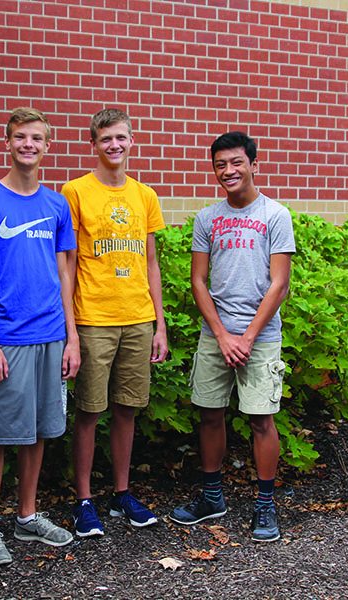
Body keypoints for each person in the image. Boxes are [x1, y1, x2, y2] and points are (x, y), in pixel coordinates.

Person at [0, 107, 81, 566]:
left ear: (47, 145)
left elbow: (65, 274)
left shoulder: (56, 205)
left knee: (38, 431)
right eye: (20, 137)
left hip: (51, 334)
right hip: (8, 337)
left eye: (36, 138)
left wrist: (72, 338)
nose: (28, 145)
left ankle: (27, 516)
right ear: (7, 142)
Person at [170, 131, 295, 543]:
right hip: (216, 335)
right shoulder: (207, 218)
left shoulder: (275, 215)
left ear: (254, 165)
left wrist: (247, 336)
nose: (228, 171)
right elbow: (198, 281)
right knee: (209, 412)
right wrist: (222, 335)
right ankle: (211, 497)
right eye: (221, 164)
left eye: (236, 163)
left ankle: (264, 505)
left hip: (259, 337)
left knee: (261, 419)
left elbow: (279, 285)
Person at [61, 108, 168, 537]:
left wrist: (160, 324)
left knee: (127, 410)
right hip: (93, 319)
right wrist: (70, 329)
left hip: (138, 318)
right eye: (106, 139)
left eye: (121, 138)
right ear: (94, 144)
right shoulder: (75, 192)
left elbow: (152, 263)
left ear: (131, 141)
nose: (114, 146)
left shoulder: (145, 196)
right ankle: (84, 500)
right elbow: (66, 265)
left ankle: (122, 494)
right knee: (89, 412)